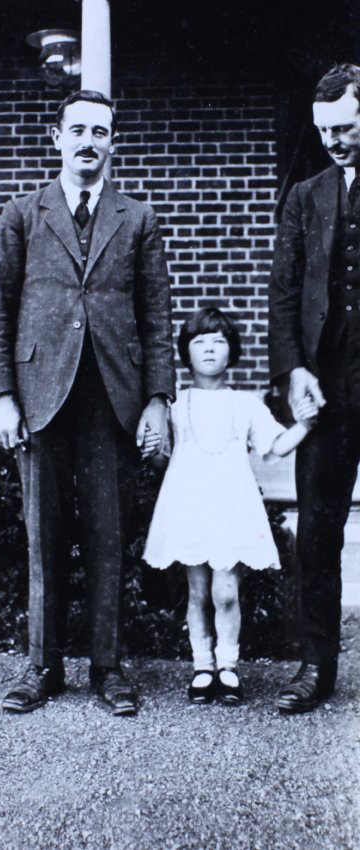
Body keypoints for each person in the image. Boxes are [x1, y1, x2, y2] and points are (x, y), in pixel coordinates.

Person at [0, 90, 175, 716]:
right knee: (44, 537)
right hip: (40, 399)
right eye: (78, 130)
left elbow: (156, 318)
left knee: (107, 539)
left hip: (110, 401)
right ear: (56, 137)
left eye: (101, 131)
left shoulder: (137, 219)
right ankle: (42, 667)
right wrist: (2, 397)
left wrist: (157, 399)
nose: (89, 141)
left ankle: (109, 668)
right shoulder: (22, 214)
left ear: (113, 141)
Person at [143, 307, 316, 705]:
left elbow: (274, 447)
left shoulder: (246, 403)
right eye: (199, 342)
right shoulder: (174, 404)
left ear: (231, 352)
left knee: (225, 592)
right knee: (198, 590)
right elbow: (160, 459)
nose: (209, 349)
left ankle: (228, 666)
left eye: (219, 341)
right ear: (185, 353)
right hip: (188, 504)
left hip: (230, 506)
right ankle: (202, 666)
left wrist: (304, 425)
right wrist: (151, 451)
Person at [269, 63, 360, 713]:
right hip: (328, 393)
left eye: (347, 127)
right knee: (318, 532)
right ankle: (315, 666)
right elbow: (283, 298)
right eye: (324, 129)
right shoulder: (304, 197)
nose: (334, 139)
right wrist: (294, 369)